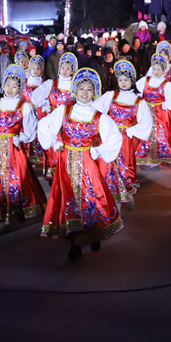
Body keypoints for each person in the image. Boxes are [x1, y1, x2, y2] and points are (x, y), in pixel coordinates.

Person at [38, 67, 123, 262]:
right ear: (75, 90)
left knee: (91, 198)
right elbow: (45, 125)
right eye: (81, 88)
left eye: (89, 89)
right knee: (69, 200)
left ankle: (93, 233)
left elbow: (114, 137)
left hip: (88, 164)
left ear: (95, 92)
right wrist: (54, 142)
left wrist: (98, 151)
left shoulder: (99, 116)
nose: (85, 93)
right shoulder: (64, 110)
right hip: (66, 163)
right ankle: (74, 242)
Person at [0, 64, 46, 235]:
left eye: (15, 86)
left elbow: (31, 129)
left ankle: (19, 209)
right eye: (8, 85)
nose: (11, 88)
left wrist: (20, 138)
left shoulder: (24, 106)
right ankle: (3, 219)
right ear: (3, 85)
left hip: (15, 151)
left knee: (18, 181)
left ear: (19, 87)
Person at [94, 60, 152, 210]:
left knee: (124, 166)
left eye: (126, 79)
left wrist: (131, 131)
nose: (123, 82)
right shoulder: (111, 95)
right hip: (109, 136)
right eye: (120, 79)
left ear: (132, 80)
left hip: (125, 140)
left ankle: (127, 194)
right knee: (108, 165)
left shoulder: (139, 101)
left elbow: (146, 122)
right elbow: (95, 110)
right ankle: (113, 199)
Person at [31, 52, 77, 178]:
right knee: (53, 147)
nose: (64, 71)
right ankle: (53, 174)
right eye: (62, 67)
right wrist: (44, 104)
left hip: (68, 124)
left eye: (68, 68)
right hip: (52, 122)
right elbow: (35, 96)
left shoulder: (76, 86)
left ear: (73, 71)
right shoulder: (51, 83)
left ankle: (66, 173)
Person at [135, 53, 171, 167]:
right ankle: (151, 160)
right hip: (147, 112)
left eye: (159, 69)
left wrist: (165, 106)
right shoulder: (145, 81)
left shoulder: (166, 84)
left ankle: (167, 155)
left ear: (163, 71)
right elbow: (136, 92)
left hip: (161, 114)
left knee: (163, 135)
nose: (155, 71)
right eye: (154, 68)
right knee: (147, 134)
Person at [21, 55, 47, 167]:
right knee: (28, 132)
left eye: (38, 69)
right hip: (27, 112)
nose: (35, 71)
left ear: (41, 70)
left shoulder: (45, 83)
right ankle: (27, 156)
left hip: (40, 112)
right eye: (33, 68)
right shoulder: (25, 83)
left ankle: (39, 156)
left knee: (38, 133)